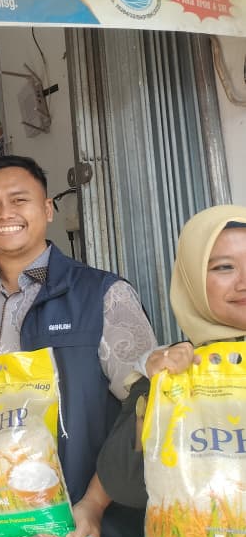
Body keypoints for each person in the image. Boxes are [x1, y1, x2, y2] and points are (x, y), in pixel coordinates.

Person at [0, 154, 159, 537]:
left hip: (83, 532)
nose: (5, 213)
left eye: (20, 199)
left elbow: (145, 410)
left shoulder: (103, 294)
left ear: (48, 209)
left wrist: (94, 504)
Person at [97, 205, 246, 509]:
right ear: (192, 280)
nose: (243, 281)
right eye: (224, 267)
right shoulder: (170, 371)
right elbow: (125, 485)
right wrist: (157, 393)